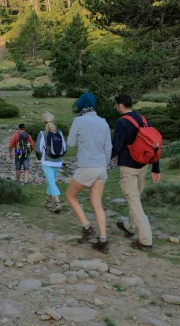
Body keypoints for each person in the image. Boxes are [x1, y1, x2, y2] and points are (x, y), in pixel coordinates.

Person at [112, 93, 161, 251]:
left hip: (129, 168)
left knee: (134, 201)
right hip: (143, 166)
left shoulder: (121, 123)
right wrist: (156, 168)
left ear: (120, 106)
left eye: (116, 105)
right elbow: (154, 144)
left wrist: (102, 158)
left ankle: (145, 240)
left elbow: (117, 147)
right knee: (136, 199)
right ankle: (129, 226)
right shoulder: (145, 120)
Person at [66, 93, 112, 254]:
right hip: (101, 167)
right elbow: (108, 147)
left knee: (70, 196)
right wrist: (104, 164)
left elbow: (70, 143)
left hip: (87, 166)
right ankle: (103, 241)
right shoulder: (103, 122)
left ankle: (87, 227)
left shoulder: (79, 121)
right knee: (97, 204)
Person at [35, 111, 67, 213]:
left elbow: (38, 150)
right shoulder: (60, 133)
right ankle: (48, 201)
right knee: (51, 180)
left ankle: (57, 202)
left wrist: (40, 158)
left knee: (51, 181)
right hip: (58, 161)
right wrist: (59, 157)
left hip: (47, 161)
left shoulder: (42, 133)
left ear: (43, 122)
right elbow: (65, 148)